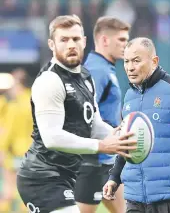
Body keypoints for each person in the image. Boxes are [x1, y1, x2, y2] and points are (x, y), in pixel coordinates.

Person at [16, 14, 137, 213]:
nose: (71, 44)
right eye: (63, 39)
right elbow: (52, 138)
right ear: (52, 44)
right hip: (41, 177)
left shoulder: (85, 77)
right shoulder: (50, 80)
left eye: (75, 38)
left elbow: (94, 123)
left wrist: (119, 137)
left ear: (84, 41)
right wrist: (102, 146)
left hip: (68, 174)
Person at [102, 37, 170, 213]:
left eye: (136, 61)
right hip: (135, 199)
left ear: (154, 61)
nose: (130, 67)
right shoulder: (129, 97)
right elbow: (126, 143)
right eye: (126, 61)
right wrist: (114, 178)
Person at [75, 16, 130, 213]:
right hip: (93, 163)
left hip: (108, 161)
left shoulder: (106, 68)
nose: (126, 45)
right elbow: (81, 113)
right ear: (105, 40)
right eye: (121, 40)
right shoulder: (97, 71)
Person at [0, 69, 32, 212]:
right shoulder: (35, 100)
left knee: (9, 190)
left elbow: (8, 131)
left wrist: (2, 149)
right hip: (33, 153)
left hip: (14, 152)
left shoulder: (15, 104)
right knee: (28, 192)